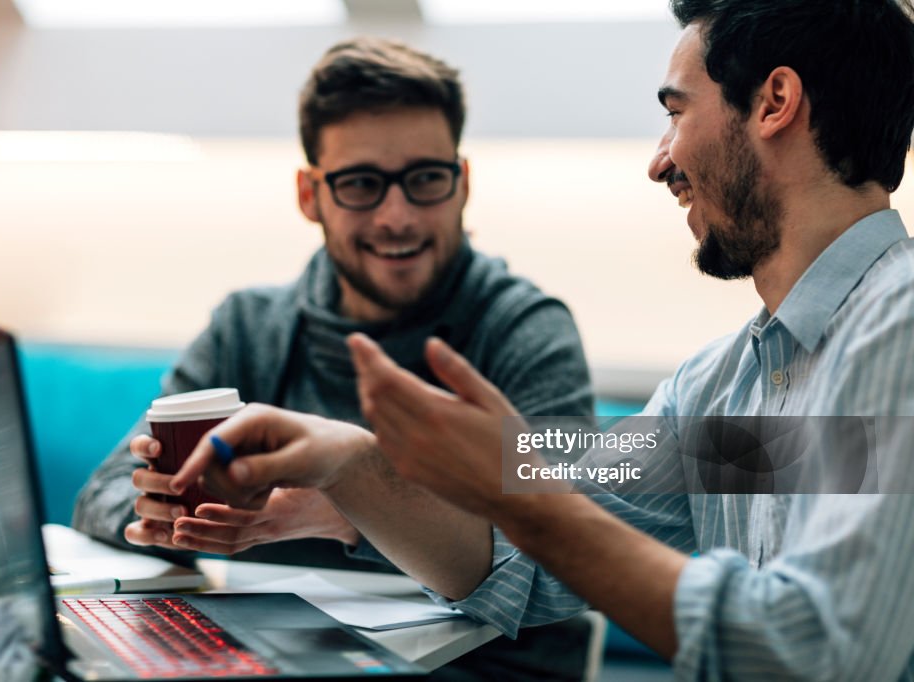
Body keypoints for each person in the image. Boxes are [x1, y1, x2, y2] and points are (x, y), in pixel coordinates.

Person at [173, 1, 914, 679]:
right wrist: (354, 468)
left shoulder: (900, 322)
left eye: (676, 114)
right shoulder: (722, 391)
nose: (660, 161)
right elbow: (529, 534)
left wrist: (511, 487)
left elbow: (820, 652)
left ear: (774, 104)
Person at [73, 37, 595, 680]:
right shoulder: (249, 327)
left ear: (463, 184)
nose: (397, 216)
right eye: (360, 185)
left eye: (426, 179)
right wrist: (165, 512)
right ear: (309, 194)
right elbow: (100, 496)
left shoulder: (524, 329)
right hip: (260, 661)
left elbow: (568, 537)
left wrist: (351, 505)